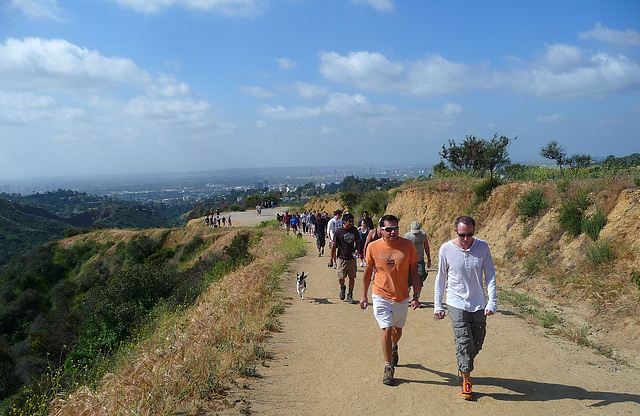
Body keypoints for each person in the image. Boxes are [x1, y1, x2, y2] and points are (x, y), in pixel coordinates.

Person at [434, 216, 497, 401]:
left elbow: (490, 275)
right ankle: (466, 381)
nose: (466, 239)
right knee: (464, 342)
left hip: (478, 302)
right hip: (456, 302)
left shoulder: (482, 247)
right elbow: (440, 279)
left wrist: (492, 301)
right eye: (462, 235)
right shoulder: (446, 249)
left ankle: (464, 362)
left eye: (470, 234)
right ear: (456, 232)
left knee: (477, 342)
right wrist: (438, 304)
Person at [359, 214, 420, 386]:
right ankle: (388, 367)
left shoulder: (407, 246)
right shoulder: (373, 247)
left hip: (401, 295)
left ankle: (394, 347)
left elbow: (414, 272)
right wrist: (364, 295)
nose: (393, 232)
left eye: (396, 228)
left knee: (397, 330)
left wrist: (416, 295)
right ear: (380, 231)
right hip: (380, 294)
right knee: (386, 329)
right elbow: (367, 274)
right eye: (388, 229)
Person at [328, 213, 360, 304]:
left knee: (352, 277)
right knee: (341, 277)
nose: (351, 223)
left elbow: (357, 241)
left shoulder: (354, 230)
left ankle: (350, 294)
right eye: (349, 221)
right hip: (341, 257)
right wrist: (331, 259)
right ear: (344, 222)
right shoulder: (339, 232)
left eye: (352, 221)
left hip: (352, 258)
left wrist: (357, 250)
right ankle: (342, 287)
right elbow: (334, 246)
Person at [404, 221, 432, 297]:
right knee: (407, 279)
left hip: (420, 260)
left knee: (420, 279)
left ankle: (416, 297)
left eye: (416, 232)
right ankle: (407, 291)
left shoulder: (423, 235)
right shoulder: (407, 236)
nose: (415, 233)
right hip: (409, 261)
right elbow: (404, 249)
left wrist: (429, 259)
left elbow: (426, 246)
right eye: (414, 232)